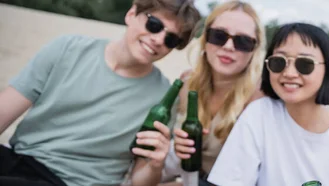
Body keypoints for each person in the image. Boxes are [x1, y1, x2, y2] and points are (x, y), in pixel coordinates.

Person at [0, 0, 201, 186]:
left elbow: (140, 181)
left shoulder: (164, 98)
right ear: (131, 14)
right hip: (18, 161)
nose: (158, 39)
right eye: (154, 24)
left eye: (171, 39)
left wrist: (155, 165)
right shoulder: (67, 49)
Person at [207, 23, 329, 186]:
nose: (289, 73)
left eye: (305, 64)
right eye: (279, 62)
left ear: (328, 69)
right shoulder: (260, 114)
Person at [154, 1, 266, 185]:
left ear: (254, 50)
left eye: (243, 41)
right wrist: (177, 147)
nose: (229, 46)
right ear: (205, 39)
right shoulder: (187, 83)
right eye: (219, 36)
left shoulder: (260, 97)